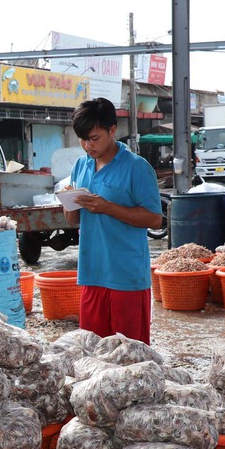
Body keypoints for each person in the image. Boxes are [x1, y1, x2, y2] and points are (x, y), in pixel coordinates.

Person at [64, 98, 163, 344]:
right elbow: (73, 219)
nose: (88, 145)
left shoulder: (136, 168)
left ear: (112, 130)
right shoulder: (80, 165)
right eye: (82, 139)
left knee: (130, 356)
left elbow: (155, 219)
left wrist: (108, 208)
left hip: (127, 278)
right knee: (93, 353)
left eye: (94, 138)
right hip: (91, 273)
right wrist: (69, 201)